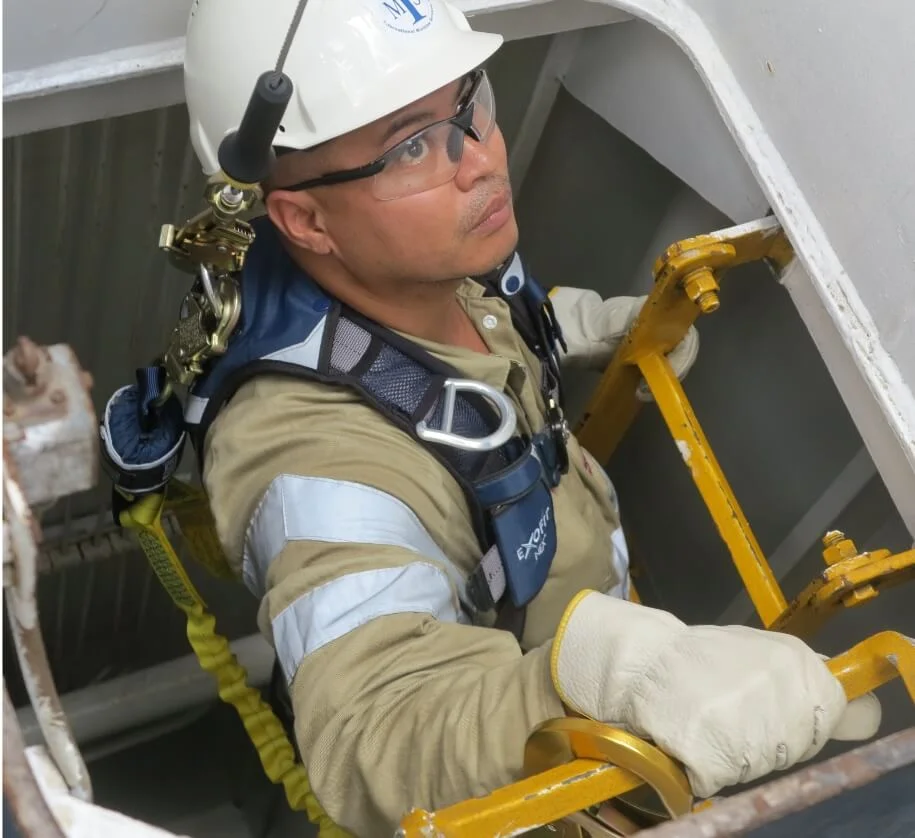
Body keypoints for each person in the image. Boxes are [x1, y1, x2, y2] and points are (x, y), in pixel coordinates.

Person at [179, 0, 881, 834]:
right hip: (534, 763)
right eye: (408, 145)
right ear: (303, 219)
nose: (479, 160)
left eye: (469, 99)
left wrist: (571, 326)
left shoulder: (417, 269)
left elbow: (476, 332)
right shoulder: (315, 460)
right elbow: (375, 731)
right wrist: (601, 678)